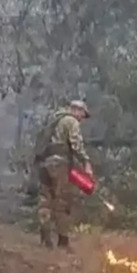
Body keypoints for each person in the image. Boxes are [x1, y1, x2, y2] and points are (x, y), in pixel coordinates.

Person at [33, 99, 93, 249]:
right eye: (82, 115)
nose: (82, 119)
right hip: (59, 165)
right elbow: (76, 145)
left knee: (45, 199)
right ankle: (63, 241)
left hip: (44, 164)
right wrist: (86, 162)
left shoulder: (53, 120)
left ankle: (45, 232)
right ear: (77, 110)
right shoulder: (71, 121)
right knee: (62, 201)